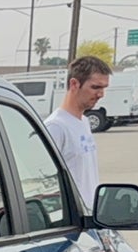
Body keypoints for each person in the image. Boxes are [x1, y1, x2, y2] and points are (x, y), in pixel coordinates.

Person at [44, 56, 109, 210]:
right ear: (74, 84)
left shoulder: (84, 122)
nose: (101, 94)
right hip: (74, 220)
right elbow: (46, 182)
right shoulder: (56, 127)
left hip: (90, 215)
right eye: (95, 87)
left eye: (104, 88)